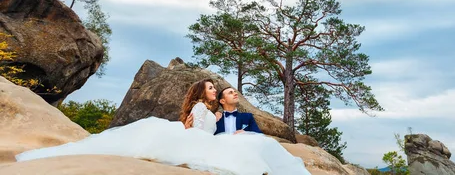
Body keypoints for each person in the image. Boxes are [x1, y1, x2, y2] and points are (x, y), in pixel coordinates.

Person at [15, 79, 310, 175]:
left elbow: (215, 127)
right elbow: (198, 131)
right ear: (201, 93)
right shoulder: (198, 108)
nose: (213, 90)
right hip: (199, 139)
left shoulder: (211, 111)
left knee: (253, 145)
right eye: (209, 88)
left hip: (208, 137)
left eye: (213, 88)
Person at [185, 86, 262, 135]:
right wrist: (189, 130)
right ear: (222, 101)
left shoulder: (248, 117)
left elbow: (261, 136)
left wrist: (246, 133)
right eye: (230, 93)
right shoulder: (215, 119)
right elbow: (204, 135)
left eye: (235, 92)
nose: (235, 94)